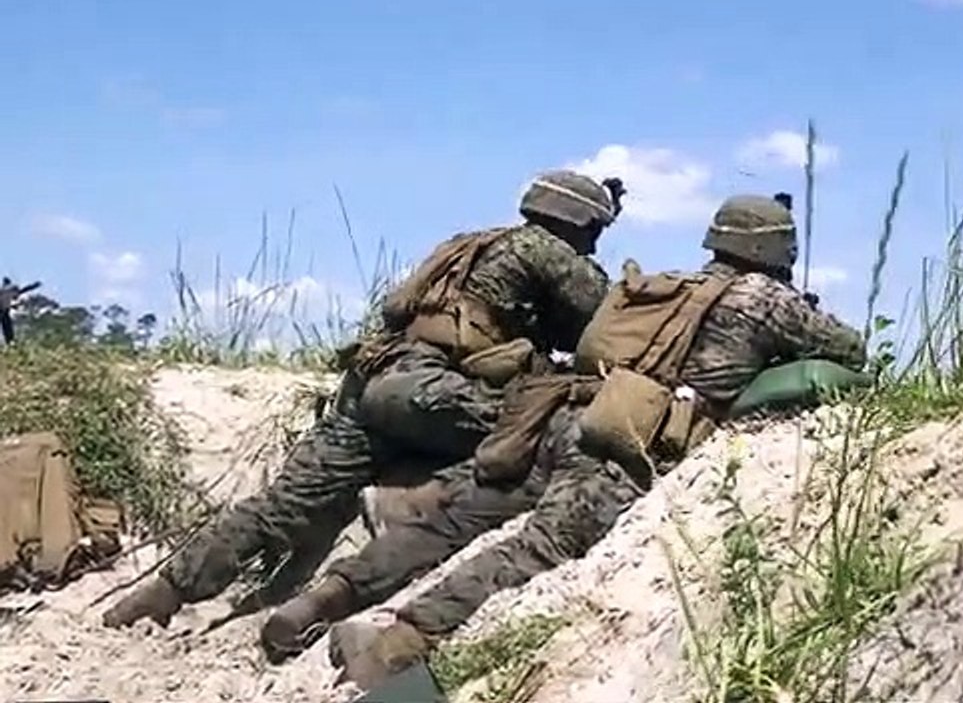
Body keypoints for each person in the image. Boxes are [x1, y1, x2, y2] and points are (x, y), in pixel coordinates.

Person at [329, 192, 868, 690]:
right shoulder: (767, 299)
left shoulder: (672, 281)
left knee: (456, 518)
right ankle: (395, 651)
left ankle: (332, 595)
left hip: (565, 417)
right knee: (539, 549)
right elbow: (850, 350)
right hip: (625, 444)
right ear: (776, 248)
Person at [101, 170, 625, 640]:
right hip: (432, 390)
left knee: (286, 505)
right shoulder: (548, 251)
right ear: (577, 223)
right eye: (595, 230)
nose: (595, 243)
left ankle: (163, 592)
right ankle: (402, 505)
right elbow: (608, 325)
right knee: (535, 434)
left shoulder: (470, 246)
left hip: (371, 384)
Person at [0, 277, 42, 345]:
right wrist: (33, 286)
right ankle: (10, 341)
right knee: (7, 326)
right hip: (3, 311)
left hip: (4, 311)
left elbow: (22, 291)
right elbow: (23, 290)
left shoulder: (5, 290)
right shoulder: (9, 290)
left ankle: (10, 341)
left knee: (7, 326)